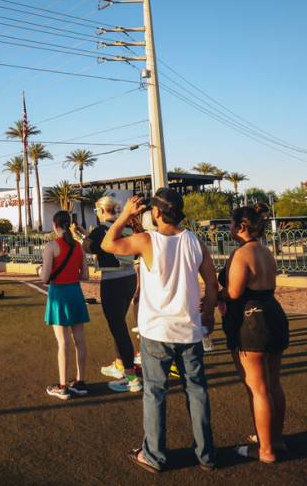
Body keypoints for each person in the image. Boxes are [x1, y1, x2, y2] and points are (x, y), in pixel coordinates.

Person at [102, 189, 219, 473]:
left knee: (155, 393)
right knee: (197, 391)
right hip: (190, 331)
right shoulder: (194, 241)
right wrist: (208, 315)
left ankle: (154, 454)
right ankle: (205, 454)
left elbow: (108, 244)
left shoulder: (147, 240)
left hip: (156, 332)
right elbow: (212, 283)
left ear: (156, 213)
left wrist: (125, 215)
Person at [220, 203, 289, 463]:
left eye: (230, 224)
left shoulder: (242, 254)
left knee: (257, 389)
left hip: (251, 321)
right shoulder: (265, 251)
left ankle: (265, 449)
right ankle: (275, 439)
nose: (228, 228)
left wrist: (216, 295)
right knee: (274, 385)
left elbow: (235, 292)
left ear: (241, 227)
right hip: (273, 314)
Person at [80, 196, 142, 393]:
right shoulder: (128, 226)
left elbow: (88, 247)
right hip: (130, 278)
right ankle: (119, 364)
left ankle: (131, 378)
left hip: (113, 281)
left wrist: (83, 235)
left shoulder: (101, 230)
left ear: (101, 210)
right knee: (120, 324)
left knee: (118, 328)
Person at [41, 210, 90, 400]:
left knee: (63, 342)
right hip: (75, 293)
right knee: (80, 340)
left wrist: (40, 271)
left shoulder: (51, 246)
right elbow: (85, 275)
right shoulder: (78, 246)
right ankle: (81, 382)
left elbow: (45, 277)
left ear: (55, 225)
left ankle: (62, 387)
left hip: (58, 295)